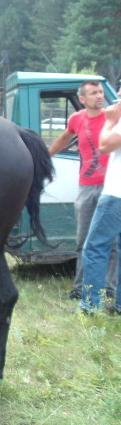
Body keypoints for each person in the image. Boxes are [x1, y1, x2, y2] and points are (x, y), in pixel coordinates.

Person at [48, 80, 118, 300]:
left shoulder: (112, 118)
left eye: (100, 92)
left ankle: (110, 289)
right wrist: (43, 158)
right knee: (84, 241)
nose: (99, 96)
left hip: (111, 188)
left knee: (113, 244)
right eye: (94, 93)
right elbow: (63, 139)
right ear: (82, 99)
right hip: (87, 187)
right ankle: (81, 288)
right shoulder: (77, 119)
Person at [80, 100, 121, 314]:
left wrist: (110, 122)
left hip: (116, 195)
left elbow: (105, 145)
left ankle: (91, 305)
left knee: (95, 248)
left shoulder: (118, 122)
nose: (116, 102)